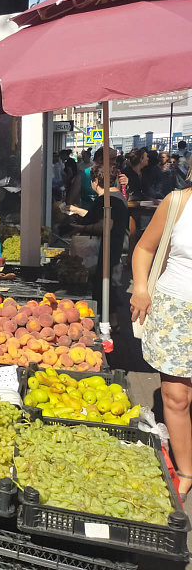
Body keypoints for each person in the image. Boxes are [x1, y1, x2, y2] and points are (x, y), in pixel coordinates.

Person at [131, 185, 192, 501]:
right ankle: (185, 471)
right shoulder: (178, 201)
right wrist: (141, 288)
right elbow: (144, 248)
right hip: (176, 311)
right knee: (176, 395)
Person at [68, 148, 129, 332]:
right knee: (105, 282)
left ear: (96, 181)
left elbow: (105, 225)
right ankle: (112, 321)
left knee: (102, 284)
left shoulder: (106, 200)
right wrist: (79, 212)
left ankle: (106, 324)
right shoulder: (117, 196)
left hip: (108, 247)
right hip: (114, 246)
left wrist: (82, 228)